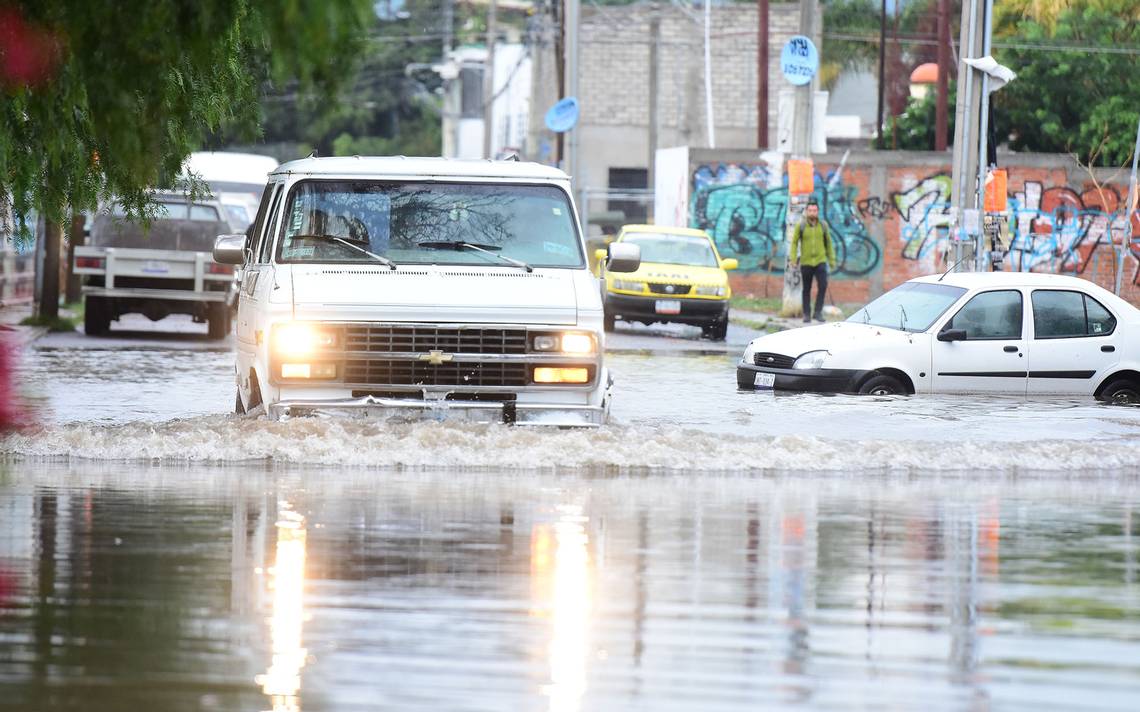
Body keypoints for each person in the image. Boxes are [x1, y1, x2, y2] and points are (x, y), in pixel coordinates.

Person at [789, 199, 837, 323]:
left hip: (820, 261)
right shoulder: (801, 225)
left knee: (823, 285)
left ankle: (817, 312)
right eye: (810, 210)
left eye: (814, 210)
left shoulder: (823, 225)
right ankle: (806, 314)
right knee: (806, 289)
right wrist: (793, 258)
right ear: (806, 211)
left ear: (818, 211)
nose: (812, 212)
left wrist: (831, 260)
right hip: (806, 262)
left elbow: (829, 243)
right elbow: (794, 243)